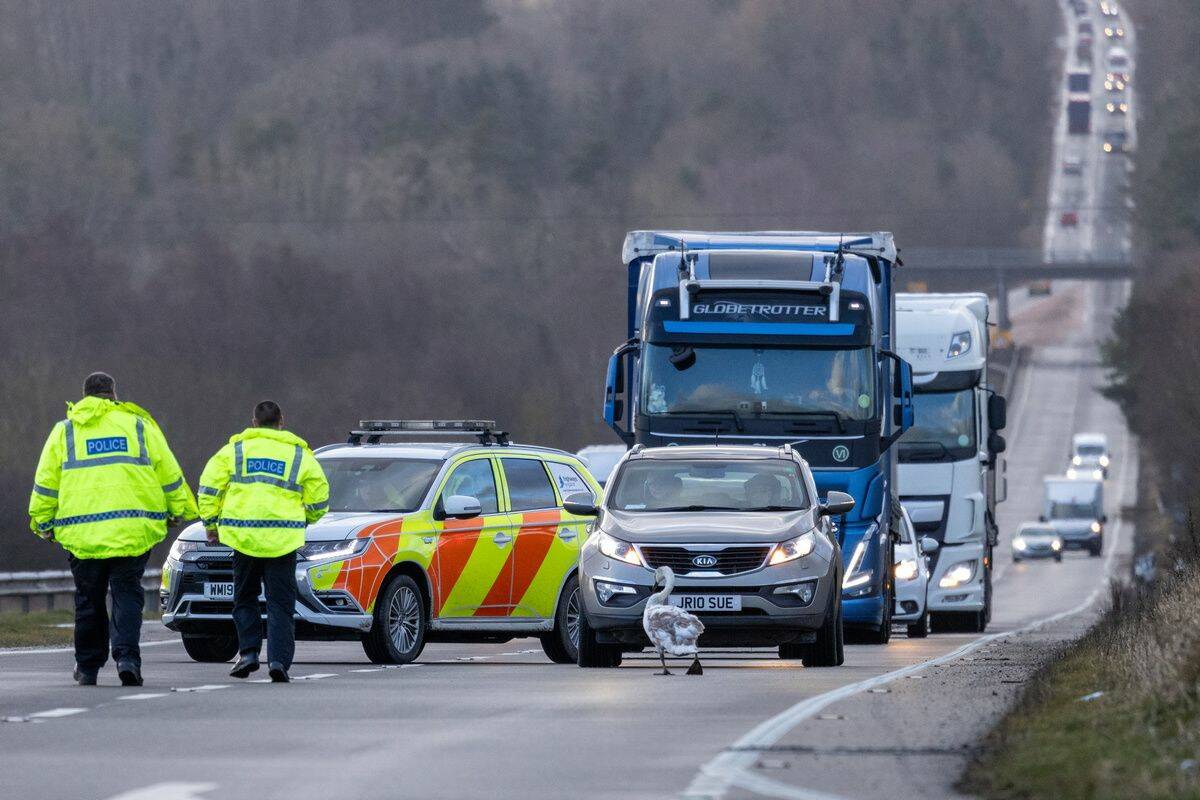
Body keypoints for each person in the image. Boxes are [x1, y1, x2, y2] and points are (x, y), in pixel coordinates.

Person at [28, 372, 197, 686]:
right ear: (113, 395)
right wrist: (179, 511)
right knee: (127, 595)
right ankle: (127, 658)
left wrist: (42, 522)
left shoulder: (65, 432)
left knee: (88, 600)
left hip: (82, 535)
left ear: (84, 396)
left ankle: (88, 667)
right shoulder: (139, 426)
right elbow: (168, 473)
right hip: (132, 531)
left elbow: (46, 484)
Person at [197, 401, 329, 683]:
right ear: (282, 421)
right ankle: (279, 662)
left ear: (253, 422)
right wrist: (305, 519)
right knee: (280, 603)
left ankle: (248, 654)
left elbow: (209, 488)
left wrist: (211, 524)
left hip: (243, 538)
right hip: (283, 540)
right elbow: (320, 497)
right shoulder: (299, 455)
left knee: (244, 598)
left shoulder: (234, 451)